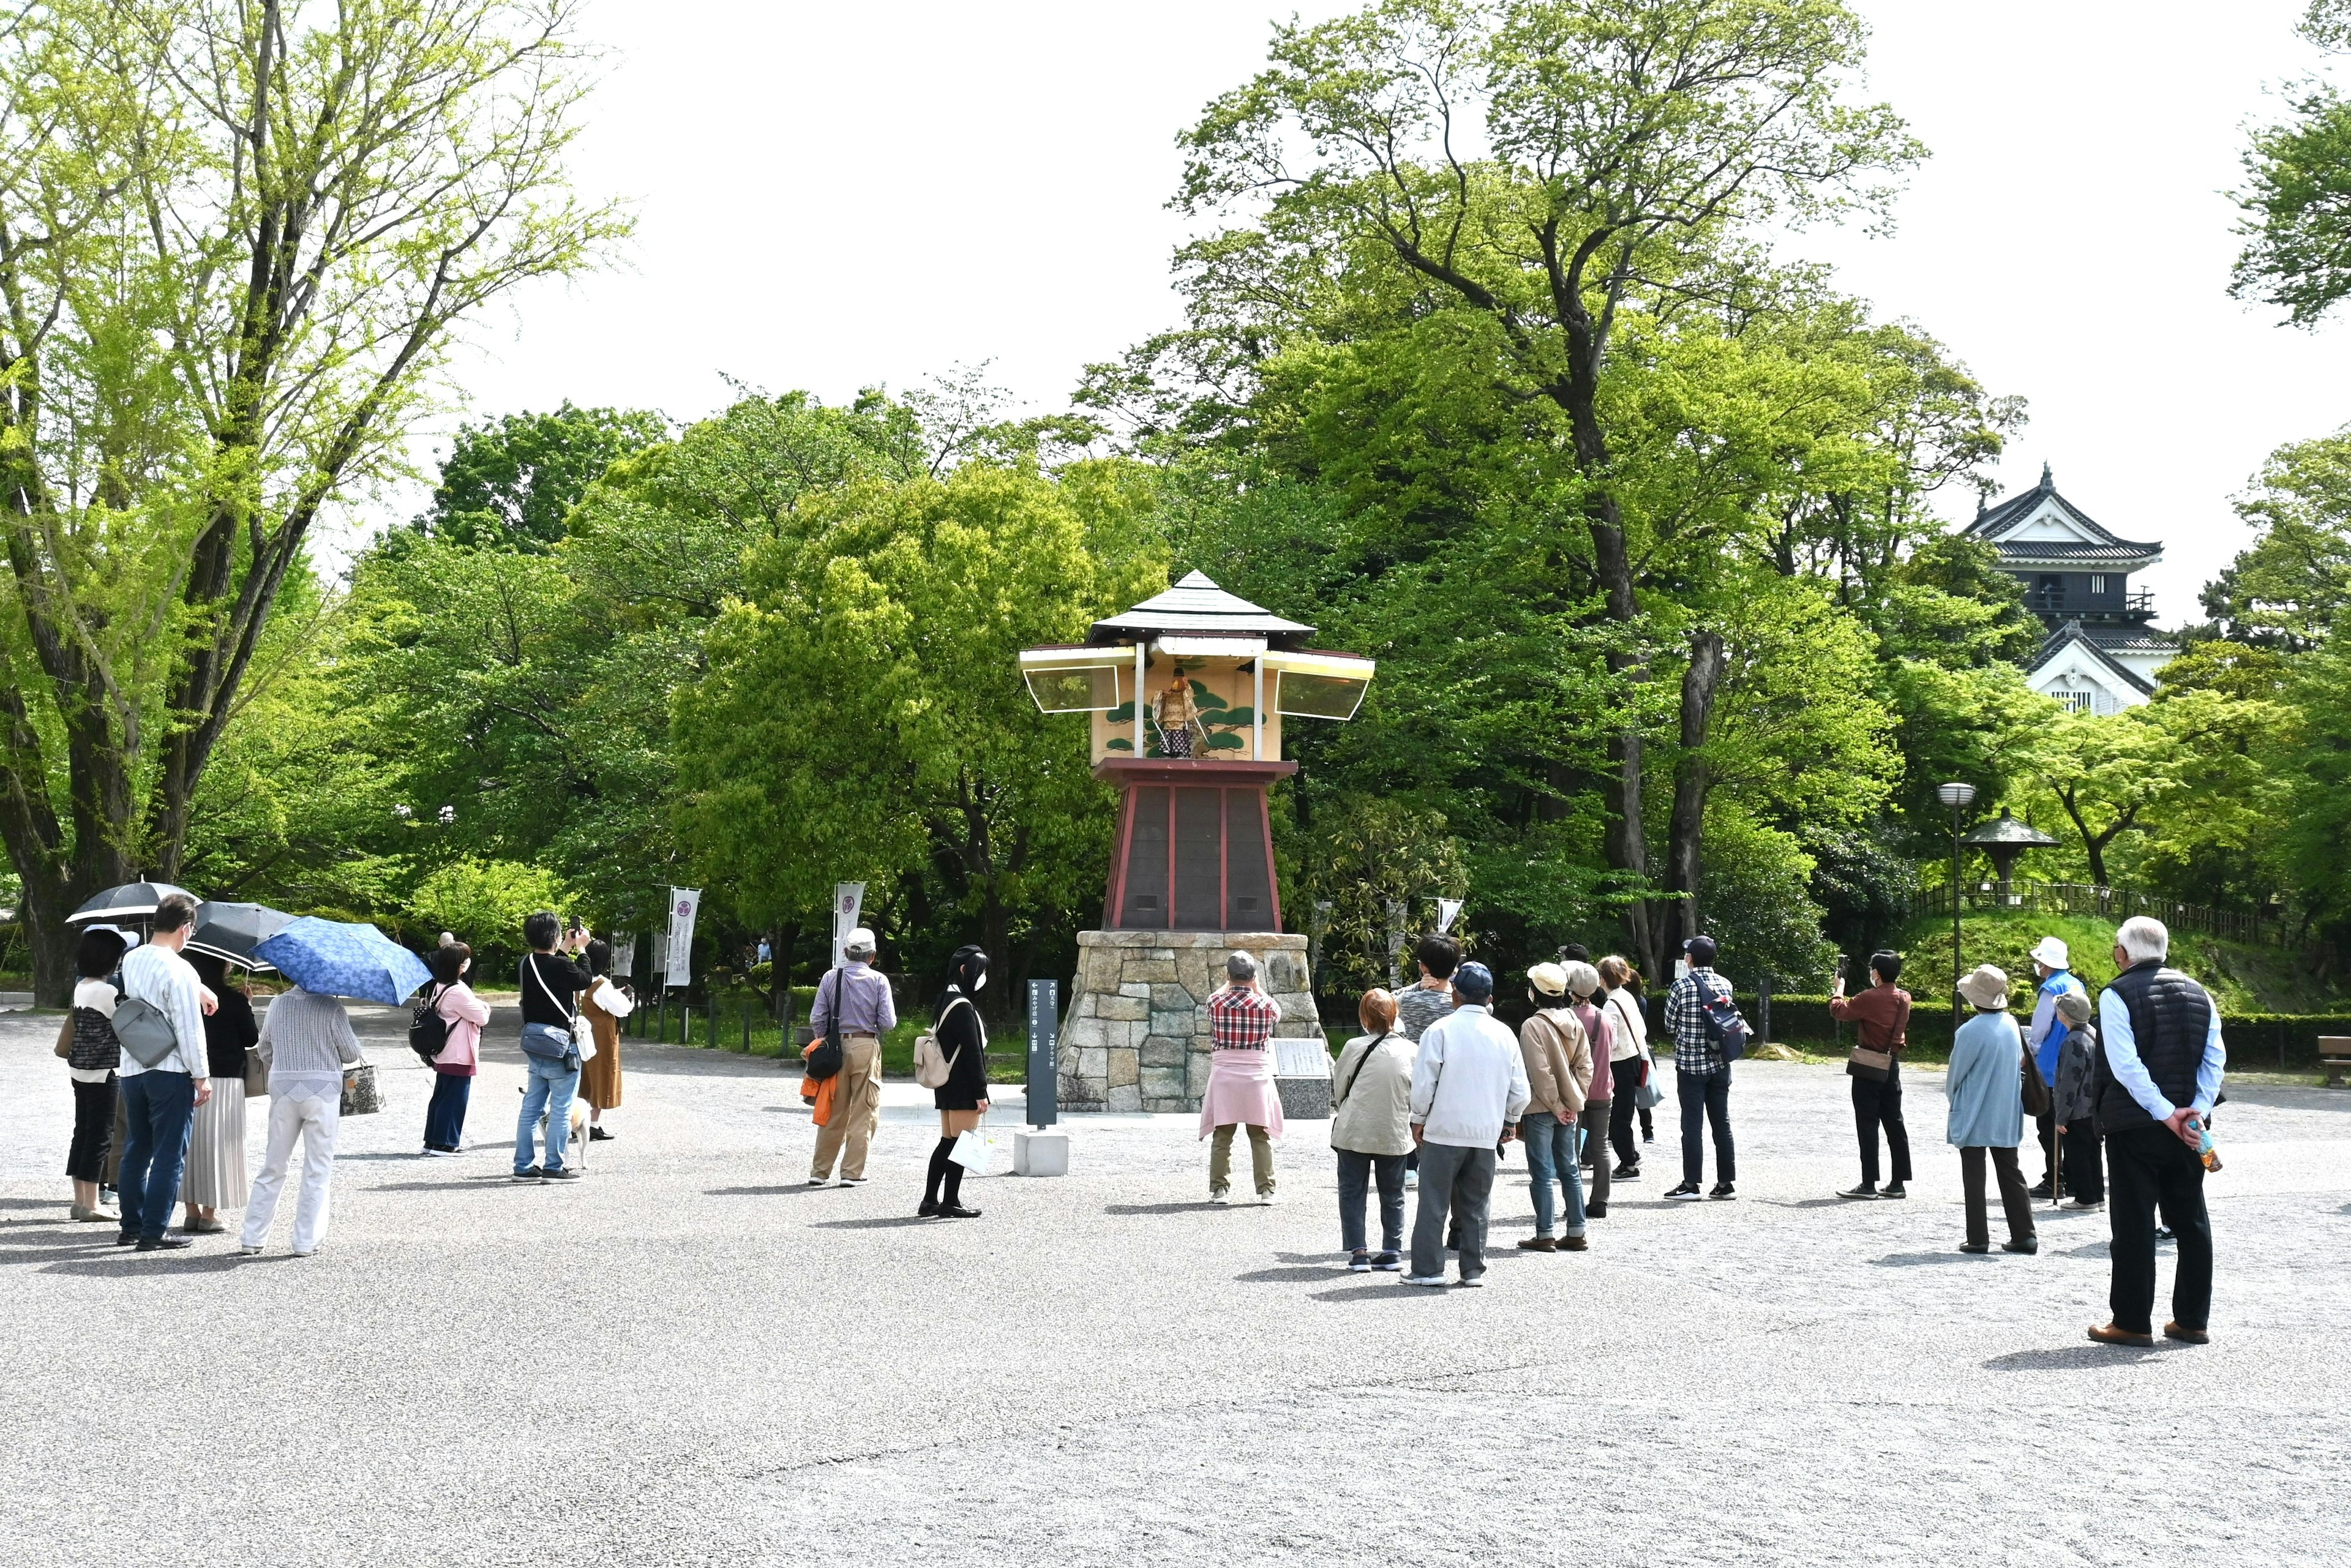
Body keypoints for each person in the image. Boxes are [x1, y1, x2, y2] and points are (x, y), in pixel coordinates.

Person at [2089, 916, 2225, 1349]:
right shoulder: (2199, 991)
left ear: (2123, 953)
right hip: (2190, 1129)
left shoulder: (2116, 993)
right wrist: (2195, 1113)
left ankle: (2131, 1321)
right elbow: (2215, 1060)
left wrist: (2165, 1112)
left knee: (2133, 1222)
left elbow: (2126, 1064)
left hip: (2135, 1123)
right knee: (2191, 1221)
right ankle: (2192, 1319)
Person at [1403, 962, 1529, 1288]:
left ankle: (1428, 1270)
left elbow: (1424, 1083)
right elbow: (1520, 1090)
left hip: (1444, 1128)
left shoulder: (1440, 1030)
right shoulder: (1505, 1034)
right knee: (1476, 1204)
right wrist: (1510, 1119)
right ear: (1490, 997)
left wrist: (1418, 1117)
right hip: (1486, 1132)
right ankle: (1472, 1269)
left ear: (1455, 993)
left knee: (1434, 1202)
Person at [115, 895, 214, 1252]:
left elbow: (147, 997)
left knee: (137, 1147)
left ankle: (131, 1226)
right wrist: (201, 1075)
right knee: (170, 1153)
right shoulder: (182, 969)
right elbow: (189, 1027)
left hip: (132, 1065)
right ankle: (154, 1231)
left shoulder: (132, 958)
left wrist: (199, 987)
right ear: (186, 928)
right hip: (169, 1069)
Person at [239, 985, 365, 1257]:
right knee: (317, 1167)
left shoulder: (278, 1004)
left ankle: (253, 1236)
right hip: (322, 1092)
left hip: (284, 1090)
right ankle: (305, 1240)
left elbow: (266, 1051)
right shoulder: (331, 1006)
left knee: (273, 1164)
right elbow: (351, 1053)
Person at [1946, 964, 2038, 1256]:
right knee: (2011, 1171)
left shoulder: (1969, 1031)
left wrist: (1954, 1102)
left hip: (1975, 1108)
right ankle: (2025, 1234)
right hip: (2005, 1108)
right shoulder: (2012, 1024)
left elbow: (1955, 1076)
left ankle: (1978, 1238)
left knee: (1974, 1175)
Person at [1330, 989, 1414, 1271]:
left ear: (1364, 1018)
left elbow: (1340, 1089)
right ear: (1395, 1016)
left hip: (1355, 1130)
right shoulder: (1411, 1050)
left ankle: (1359, 1252)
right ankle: (1393, 1250)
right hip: (1394, 1132)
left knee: (1352, 1191)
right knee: (1394, 1193)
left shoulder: (1354, 1047)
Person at [807, 926, 895, 1186]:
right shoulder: (879, 981)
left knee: (834, 1110)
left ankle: (819, 1172)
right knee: (863, 1111)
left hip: (835, 1048)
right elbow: (888, 1021)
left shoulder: (830, 978)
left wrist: (825, 1040)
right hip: (866, 1046)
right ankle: (851, 1173)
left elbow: (817, 1017)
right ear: (873, 956)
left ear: (845, 952)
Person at [178, 951, 257, 1235]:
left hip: (188, 1077)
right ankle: (209, 1214)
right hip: (226, 1079)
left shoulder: (184, 997)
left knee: (189, 1143)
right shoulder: (233, 1000)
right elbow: (251, 1039)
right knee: (218, 1145)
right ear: (223, 966)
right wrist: (246, 1005)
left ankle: (190, 1211)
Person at [1514, 963, 1592, 1254]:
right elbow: (1586, 1065)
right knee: (1570, 1168)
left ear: (1535, 993)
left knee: (1542, 1172)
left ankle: (1545, 1233)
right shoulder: (1574, 1019)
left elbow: (1539, 1073)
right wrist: (1574, 1102)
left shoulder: (1532, 1025)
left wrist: (1558, 1106)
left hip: (1540, 1108)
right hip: (1570, 1108)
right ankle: (1577, 1231)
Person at [516, 911, 594, 1184]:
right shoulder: (562, 968)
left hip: (535, 1043)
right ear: (556, 935)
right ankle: (554, 1167)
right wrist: (582, 949)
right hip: (561, 1047)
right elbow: (584, 978)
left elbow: (549, 965)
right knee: (561, 1108)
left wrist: (564, 948)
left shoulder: (526, 963)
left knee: (531, 1108)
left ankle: (523, 1166)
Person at [1201, 950, 1285, 1204]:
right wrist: (1258, 990)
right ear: (1253, 977)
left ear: (1228, 976)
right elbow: (1278, 1013)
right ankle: (1266, 1191)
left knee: (1222, 1135)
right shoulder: (1266, 1006)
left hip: (1225, 1075)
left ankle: (1220, 1190)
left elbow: (1216, 996)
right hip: (1256, 1077)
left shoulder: (1216, 1003)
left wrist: (1229, 984)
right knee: (1260, 1135)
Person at [1831, 951, 1914, 1200]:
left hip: (1869, 1064)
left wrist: (1839, 987)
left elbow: (1839, 1011)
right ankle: (1898, 1182)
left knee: (1867, 1123)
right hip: (1892, 1063)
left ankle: (1869, 1183)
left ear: (1876, 973)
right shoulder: (1904, 997)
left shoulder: (1870, 997)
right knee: (1894, 1122)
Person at [1661, 936, 1737, 1201]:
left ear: (1689, 959)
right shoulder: (1725, 984)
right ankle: (1726, 1184)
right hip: (1720, 1062)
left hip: (1691, 1065)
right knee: (1722, 1123)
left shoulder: (1681, 985)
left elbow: (1669, 1024)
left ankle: (1692, 1184)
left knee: (1692, 1126)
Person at [920, 945, 992, 1219]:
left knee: (948, 1142)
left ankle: (930, 1200)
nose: (981, 977)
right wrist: (981, 1091)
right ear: (965, 971)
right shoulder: (962, 1005)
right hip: (963, 1085)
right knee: (961, 1144)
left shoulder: (945, 998)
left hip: (947, 1083)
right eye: (979, 971)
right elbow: (973, 1052)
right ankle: (950, 1201)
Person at [62, 927, 129, 1223]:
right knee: (100, 1136)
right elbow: (127, 1023)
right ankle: (91, 1204)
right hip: (105, 1070)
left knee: (83, 1132)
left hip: (81, 1069)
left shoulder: (82, 986)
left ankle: (80, 1200)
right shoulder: (108, 992)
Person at [2024, 936, 2087, 1198]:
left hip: (2050, 1064)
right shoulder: (2076, 984)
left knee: (2048, 1128)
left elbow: (2039, 1029)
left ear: (2044, 962)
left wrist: (2030, 1053)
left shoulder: (2050, 988)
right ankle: (2073, 1179)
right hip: (2075, 1057)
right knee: (2071, 1125)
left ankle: (2054, 1180)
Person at [422, 942, 490, 1155]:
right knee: (455, 1097)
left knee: (442, 1095)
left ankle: (433, 1140)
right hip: (459, 1051)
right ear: (460, 965)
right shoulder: (459, 991)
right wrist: (485, 1006)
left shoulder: (439, 987)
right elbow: (482, 1017)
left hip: (444, 1051)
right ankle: (446, 1142)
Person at [1563, 962, 1614, 1216]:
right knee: (1600, 1146)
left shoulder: (1567, 1018)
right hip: (1603, 1090)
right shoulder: (1606, 1018)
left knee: (1570, 1148)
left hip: (1574, 1091)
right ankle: (1600, 1201)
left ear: (1571, 990)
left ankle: (1573, 1202)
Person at [1596, 955, 1655, 1174]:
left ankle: (1629, 1164)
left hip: (1619, 1063)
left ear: (1602, 979)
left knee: (1619, 1118)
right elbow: (1642, 1029)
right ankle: (1632, 1156)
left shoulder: (1611, 1004)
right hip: (1634, 1059)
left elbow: (1612, 1042)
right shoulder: (1628, 996)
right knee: (1625, 1114)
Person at [2048, 989, 2105, 1208]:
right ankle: (2097, 1196)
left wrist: (2061, 1117)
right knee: (2093, 1153)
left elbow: (2070, 1083)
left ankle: (2085, 1198)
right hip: (2093, 1108)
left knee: (2078, 1154)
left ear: (2065, 1015)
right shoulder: (2092, 1033)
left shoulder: (2073, 1041)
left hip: (2078, 1109)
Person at [579, 938, 631, 1141]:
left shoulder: (580, 982)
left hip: (584, 1035)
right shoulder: (602, 984)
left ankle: (577, 1122)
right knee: (602, 1076)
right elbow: (623, 1009)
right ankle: (593, 1124)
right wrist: (624, 997)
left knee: (586, 1079)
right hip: (602, 1036)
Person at [1153, 667, 1201, 756]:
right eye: (1175, 680)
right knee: (1168, 742)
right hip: (1168, 721)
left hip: (1179, 722)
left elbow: (1189, 696)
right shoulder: (1168, 694)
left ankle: (1179, 753)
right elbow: (1157, 699)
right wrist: (1163, 693)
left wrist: (1186, 685)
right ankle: (1168, 752)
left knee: (1178, 741)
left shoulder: (1185, 693)